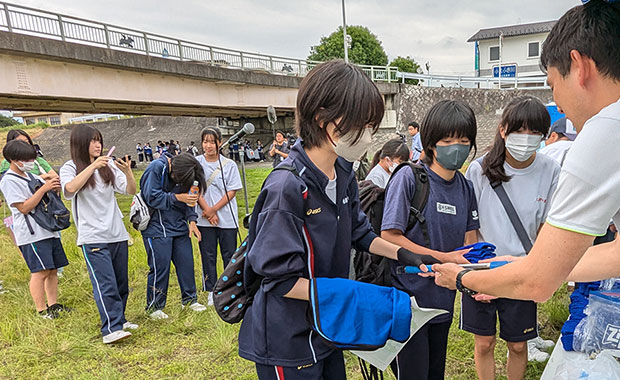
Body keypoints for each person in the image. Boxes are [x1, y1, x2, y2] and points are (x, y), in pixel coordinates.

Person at [238, 60, 440, 380]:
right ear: (324, 120)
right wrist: (359, 298)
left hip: (328, 326)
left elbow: (360, 231)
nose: (369, 136)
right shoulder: (287, 188)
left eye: (372, 126)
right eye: (363, 124)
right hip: (287, 339)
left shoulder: (344, 172)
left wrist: (406, 253)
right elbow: (280, 281)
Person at [432, 0, 620, 307]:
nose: (557, 104)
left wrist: (461, 277)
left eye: (553, 84)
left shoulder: (606, 131)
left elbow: (537, 282)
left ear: (580, 66)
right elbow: (615, 253)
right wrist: (521, 265)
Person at [462, 96, 560, 379]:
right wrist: (475, 274)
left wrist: (538, 273)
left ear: (544, 135)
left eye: (535, 132)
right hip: (483, 267)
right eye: (520, 130)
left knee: (518, 344)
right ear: (503, 130)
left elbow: (546, 228)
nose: (526, 139)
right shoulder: (479, 169)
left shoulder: (550, 170)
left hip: (522, 269)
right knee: (484, 343)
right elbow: (470, 228)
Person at [381, 100, 480, 380]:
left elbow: (469, 241)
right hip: (409, 300)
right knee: (413, 374)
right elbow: (389, 237)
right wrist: (446, 258)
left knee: (435, 372)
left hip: (443, 298)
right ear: (431, 144)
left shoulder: (465, 187)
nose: (456, 147)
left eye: (464, 140)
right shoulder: (410, 178)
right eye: (447, 140)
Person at [59, 125, 138, 344]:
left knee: (121, 282)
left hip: (116, 234)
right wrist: (92, 166)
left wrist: (128, 171)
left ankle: (119, 320)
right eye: (93, 141)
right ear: (80, 144)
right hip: (92, 236)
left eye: (99, 140)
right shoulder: (70, 167)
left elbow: (130, 190)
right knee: (106, 284)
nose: (98, 145)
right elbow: (69, 189)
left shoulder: (108, 166)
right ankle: (110, 329)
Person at [0, 140, 69, 319]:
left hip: (48, 229)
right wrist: (44, 188)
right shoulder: (8, 180)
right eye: (27, 160)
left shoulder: (31, 177)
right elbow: (23, 207)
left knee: (52, 269)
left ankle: (53, 305)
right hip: (31, 234)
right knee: (40, 271)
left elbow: (46, 195)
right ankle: (41, 310)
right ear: (14, 160)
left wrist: (52, 186)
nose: (31, 163)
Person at [139, 152, 207, 320]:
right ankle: (154, 306)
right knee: (160, 267)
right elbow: (151, 196)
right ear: (174, 171)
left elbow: (190, 198)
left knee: (186, 263)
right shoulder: (157, 168)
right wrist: (177, 197)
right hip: (157, 227)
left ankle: (190, 300)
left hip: (179, 225)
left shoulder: (188, 171)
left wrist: (192, 220)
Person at [195, 127, 242, 306]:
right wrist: (207, 211)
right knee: (208, 255)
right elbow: (194, 188)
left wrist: (214, 209)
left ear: (219, 143)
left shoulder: (229, 164)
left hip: (226, 218)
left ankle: (229, 288)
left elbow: (232, 191)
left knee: (229, 254)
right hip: (204, 218)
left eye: (212, 142)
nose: (208, 146)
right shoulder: (197, 163)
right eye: (205, 142)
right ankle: (210, 290)